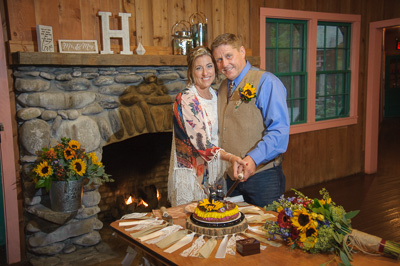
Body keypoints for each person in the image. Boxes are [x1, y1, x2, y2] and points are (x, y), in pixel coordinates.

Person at [211, 33, 290, 208]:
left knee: (267, 232)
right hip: (231, 179)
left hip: (264, 178)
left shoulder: (266, 82)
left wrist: (253, 159)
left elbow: (279, 132)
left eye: (228, 56)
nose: (224, 64)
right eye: (218, 60)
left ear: (242, 51)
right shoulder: (223, 86)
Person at [168, 46, 246, 207]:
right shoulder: (185, 98)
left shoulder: (217, 95)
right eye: (199, 68)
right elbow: (201, 143)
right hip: (193, 175)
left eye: (209, 66)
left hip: (215, 172)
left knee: (214, 220)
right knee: (192, 223)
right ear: (191, 72)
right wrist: (231, 158)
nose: (205, 73)